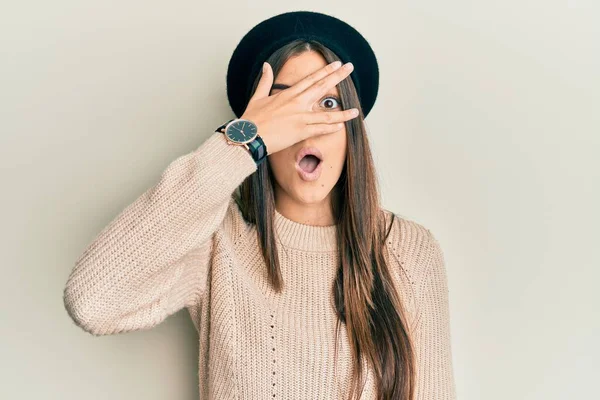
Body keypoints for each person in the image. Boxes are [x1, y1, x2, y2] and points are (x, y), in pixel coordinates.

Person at [62, 10, 457, 400]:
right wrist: (240, 143)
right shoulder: (216, 237)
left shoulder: (407, 249)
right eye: (286, 106)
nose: (307, 127)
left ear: (351, 127)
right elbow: (92, 302)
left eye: (329, 104)